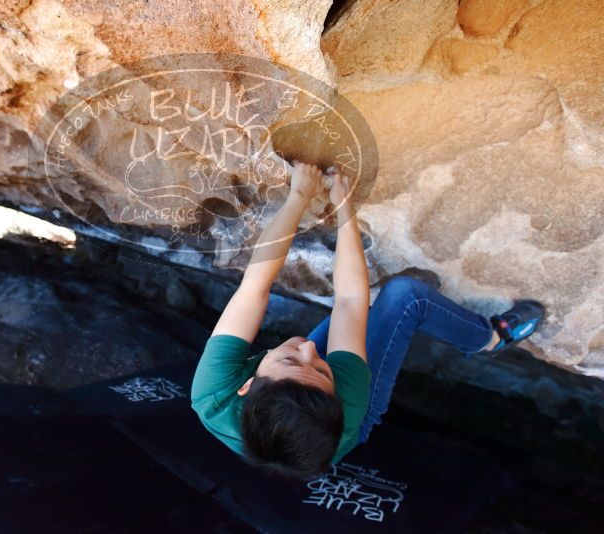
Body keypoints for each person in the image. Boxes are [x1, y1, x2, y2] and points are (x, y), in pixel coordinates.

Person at [190, 161, 545, 481]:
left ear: (246, 385)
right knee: (407, 297)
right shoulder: (349, 398)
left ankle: (399, 318)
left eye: (290, 359)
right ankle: (489, 339)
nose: (312, 349)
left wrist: (299, 195)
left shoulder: (213, 392)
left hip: (313, 408)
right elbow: (349, 301)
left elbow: (255, 287)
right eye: (322, 369)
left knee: (371, 316)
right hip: (349, 417)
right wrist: (345, 206)